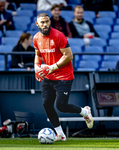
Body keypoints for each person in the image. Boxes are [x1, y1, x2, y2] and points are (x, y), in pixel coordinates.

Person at [33, 13, 94, 141]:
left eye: (47, 21)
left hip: (64, 76)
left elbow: (68, 56)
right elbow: (38, 55)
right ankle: (60, 134)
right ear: (37, 24)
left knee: (61, 106)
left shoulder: (58, 35)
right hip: (48, 77)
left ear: (50, 22)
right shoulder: (36, 38)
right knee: (47, 104)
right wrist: (37, 67)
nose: (45, 24)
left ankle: (84, 112)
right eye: (42, 22)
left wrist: (52, 67)